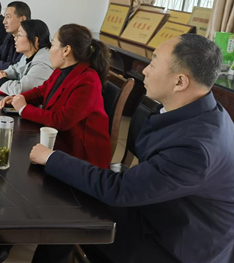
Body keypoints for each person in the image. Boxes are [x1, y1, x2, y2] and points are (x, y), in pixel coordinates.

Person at [29, 34, 234, 263]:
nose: (144, 70)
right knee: (67, 200)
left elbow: (119, 189)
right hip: (161, 209)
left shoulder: (196, 148)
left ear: (180, 82)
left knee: (65, 215)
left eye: (153, 63)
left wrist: (52, 157)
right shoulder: (202, 109)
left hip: (175, 244)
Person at [0, 24, 111, 168]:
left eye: (52, 45)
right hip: (58, 141)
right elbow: (42, 91)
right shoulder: (61, 70)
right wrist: (18, 98)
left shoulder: (88, 81)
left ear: (66, 50)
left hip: (81, 157)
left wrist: (24, 109)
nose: (49, 51)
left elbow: (62, 120)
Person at [0, 19, 53, 95]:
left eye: (19, 35)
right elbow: (16, 69)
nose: (15, 38)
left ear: (34, 40)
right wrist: (4, 73)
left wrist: (2, 81)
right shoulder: (27, 55)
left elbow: (21, 91)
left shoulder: (43, 63)